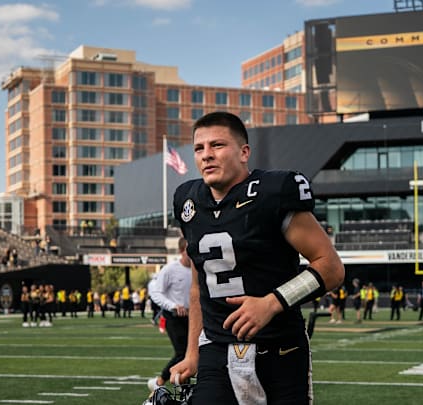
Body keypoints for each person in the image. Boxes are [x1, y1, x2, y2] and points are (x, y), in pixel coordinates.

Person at [168, 112, 345, 404]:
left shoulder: (273, 192)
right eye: (199, 148)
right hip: (217, 349)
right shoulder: (188, 201)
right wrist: (191, 354)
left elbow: (331, 268)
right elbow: (199, 286)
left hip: (279, 349)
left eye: (217, 145)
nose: (207, 155)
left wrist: (271, 303)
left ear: (244, 152)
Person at [148, 237, 192, 391]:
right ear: (181, 251)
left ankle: (183, 383)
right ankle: (160, 381)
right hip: (173, 317)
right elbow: (156, 293)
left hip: (193, 318)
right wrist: (173, 305)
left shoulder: (198, 270)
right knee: (182, 352)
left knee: (194, 353)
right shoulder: (170, 269)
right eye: (189, 248)